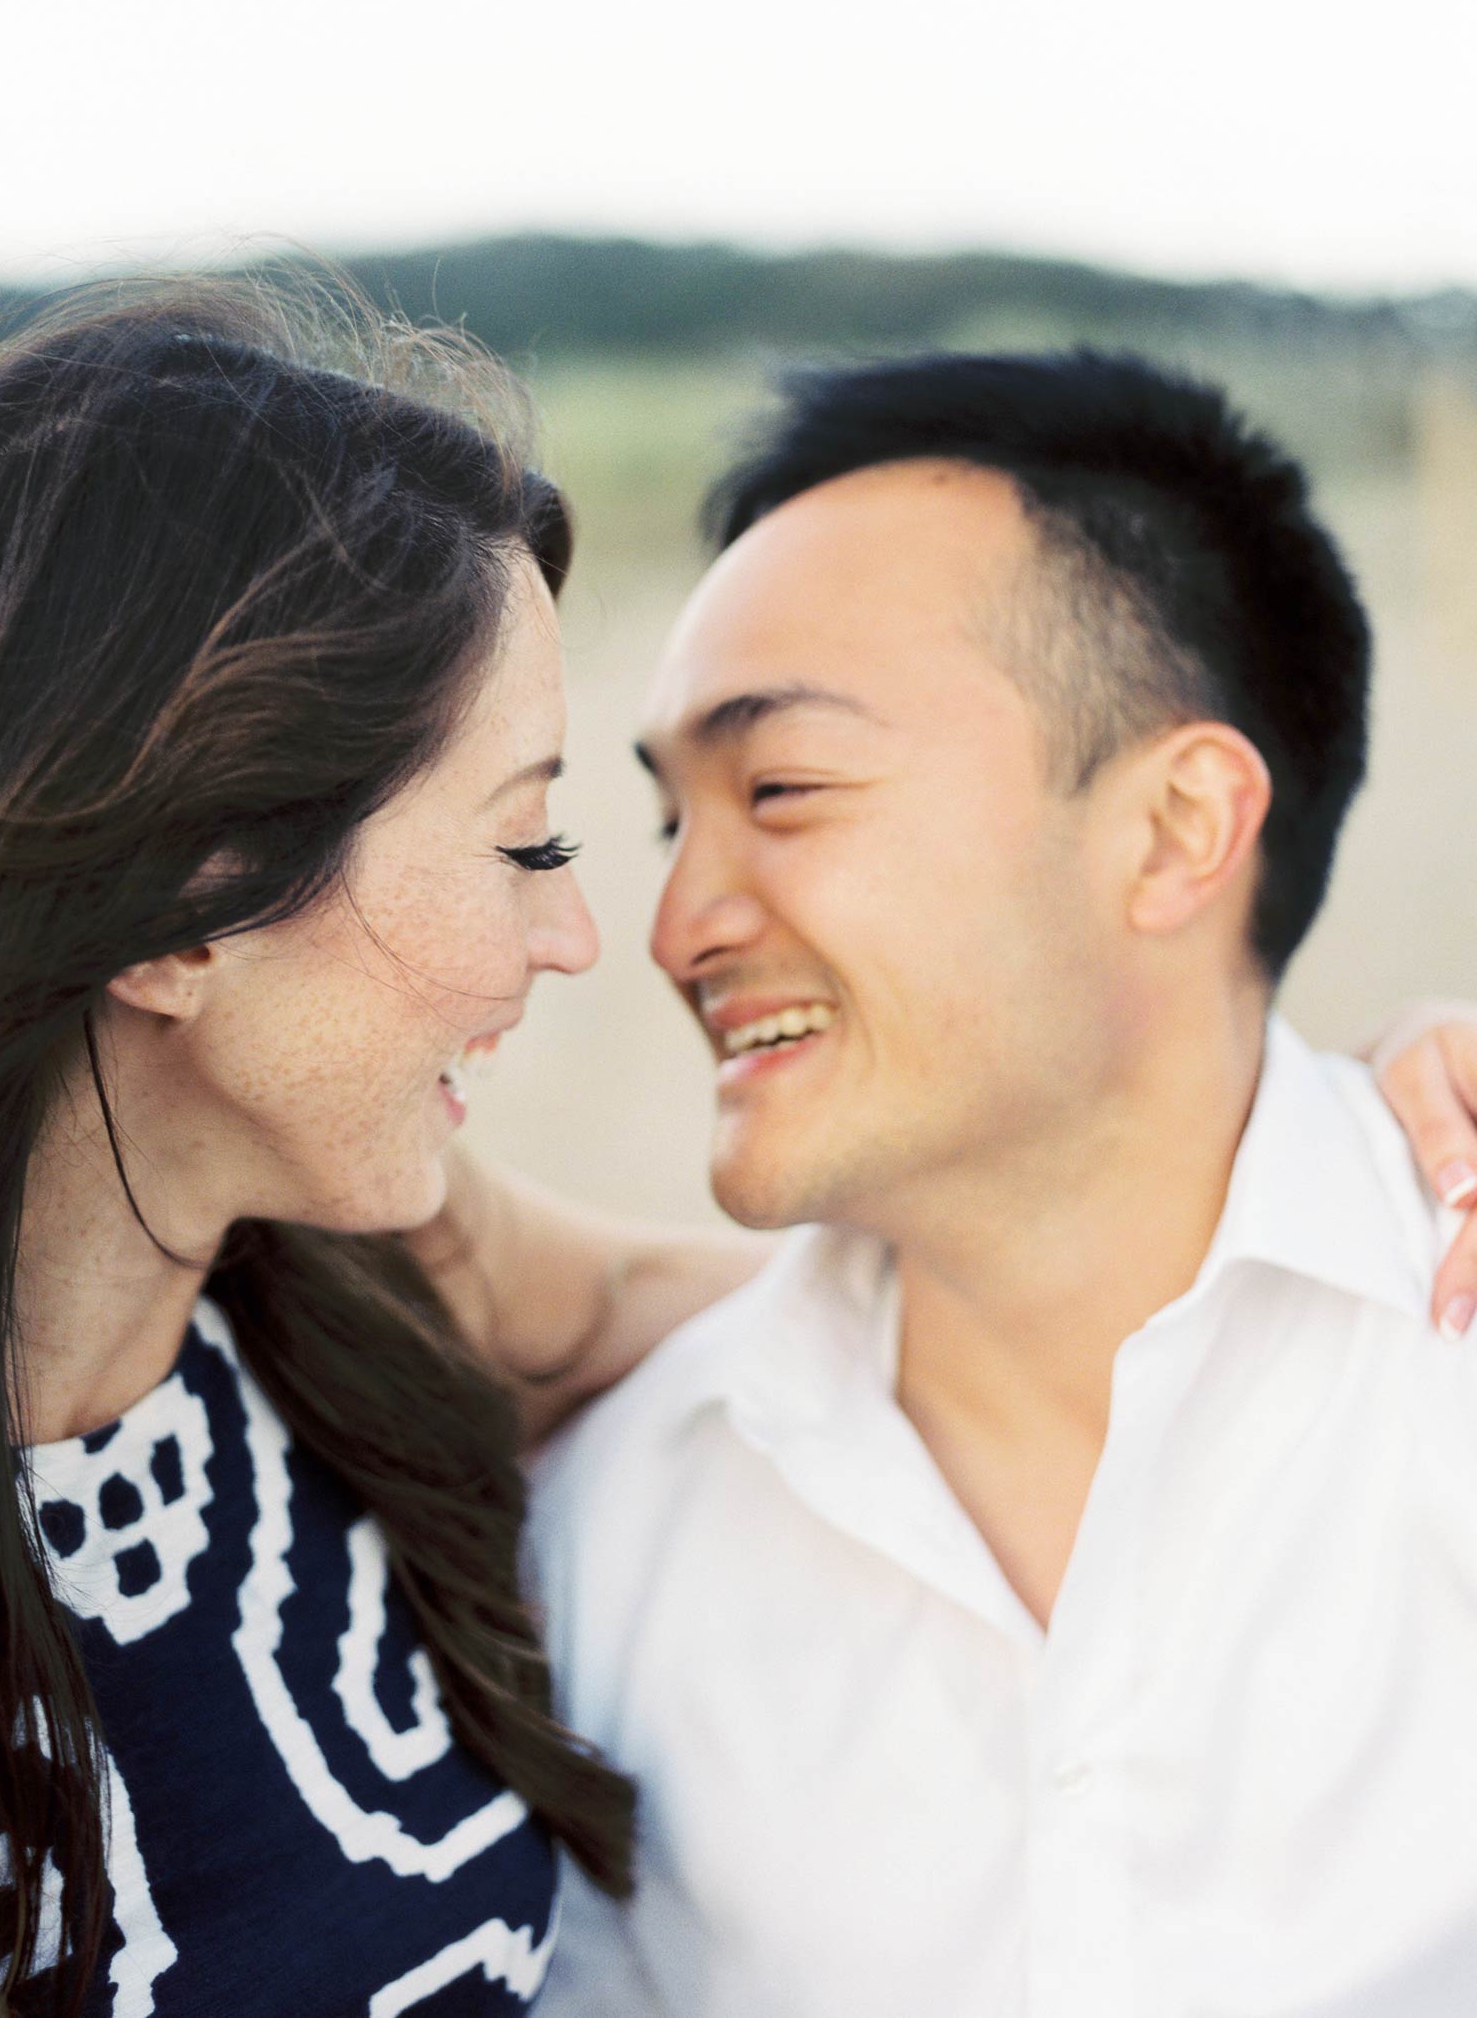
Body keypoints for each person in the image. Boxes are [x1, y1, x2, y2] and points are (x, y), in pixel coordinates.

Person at [521, 349, 1477, 2017]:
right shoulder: (611, 1527)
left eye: (786, 790)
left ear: (1181, 827)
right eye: (674, 819)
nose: (676, 926)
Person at [0, 282, 767, 2018]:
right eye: (525, 840)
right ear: (188, 904)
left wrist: (1353, 1133)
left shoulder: (377, 1279)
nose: (581, 932)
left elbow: (900, 1304)